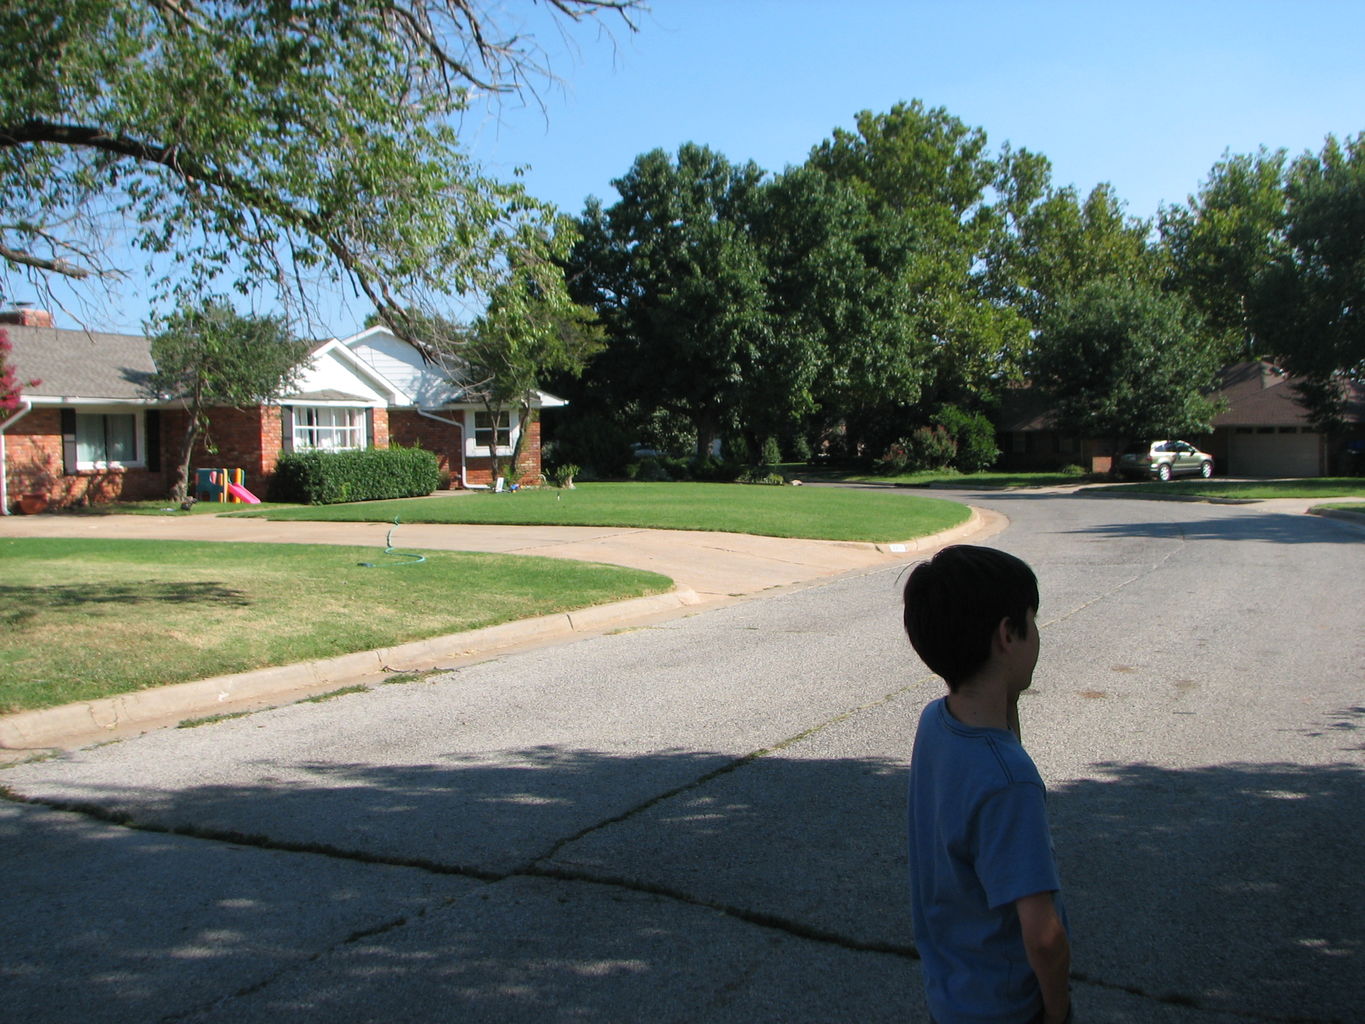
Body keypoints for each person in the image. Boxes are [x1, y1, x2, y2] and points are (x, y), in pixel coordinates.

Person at [902, 544, 1071, 1024]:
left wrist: (1008, 693)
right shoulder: (1010, 784)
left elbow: (998, 736)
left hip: (950, 995)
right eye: (1032, 621)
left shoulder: (936, 721)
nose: (1038, 634)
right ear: (1006, 635)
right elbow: (1043, 937)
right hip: (1006, 1009)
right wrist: (1058, 1013)